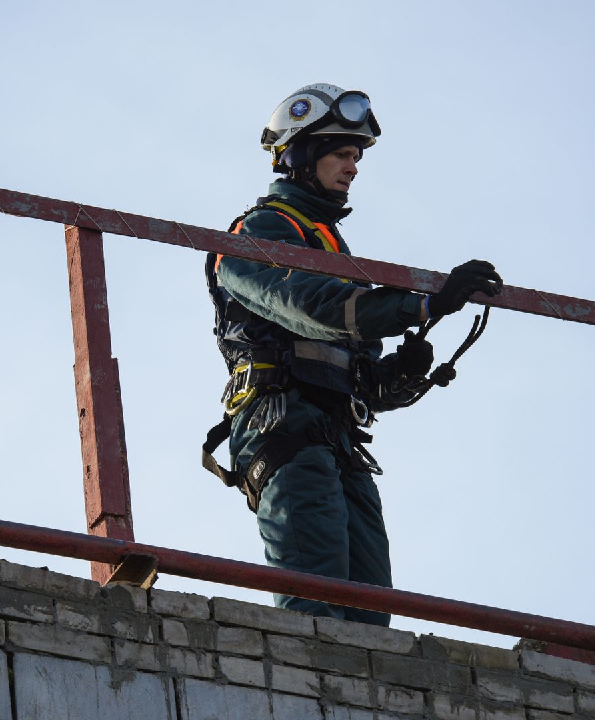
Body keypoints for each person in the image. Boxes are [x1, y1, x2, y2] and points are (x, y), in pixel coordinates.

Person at [203, 83, 503, 625]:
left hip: (338, 434)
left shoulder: (332, 249)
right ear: (300, 155)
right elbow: (304, 303)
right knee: (314, 596)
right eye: (342, 153)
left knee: (371, 607)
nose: (354, 166)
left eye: (357, 155)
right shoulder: (258, 232)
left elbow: (365, 380)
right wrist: (422, 305)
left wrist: (401, 374)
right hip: (284, 425)